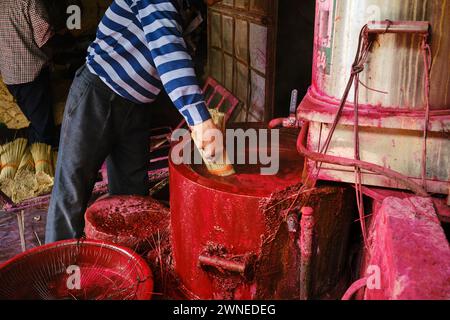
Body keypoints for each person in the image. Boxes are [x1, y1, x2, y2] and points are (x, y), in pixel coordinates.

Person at [45, 0, 221, 243]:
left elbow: (183, 56)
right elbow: (168, 49)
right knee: (72, 191)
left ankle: (129, 268)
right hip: (98, 94)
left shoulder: (191, 8)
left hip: (137, 106)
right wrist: (201, 121)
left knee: (132, 197)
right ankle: (59, 271)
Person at [0, 0, 57, 146]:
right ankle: (42, 153)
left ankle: (35, 142)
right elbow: (45, 37)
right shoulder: (29, 2)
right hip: (32, 75)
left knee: (33, 117)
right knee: (44, 129)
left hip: (9, 75)